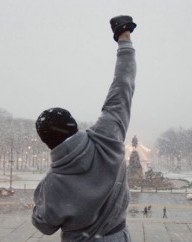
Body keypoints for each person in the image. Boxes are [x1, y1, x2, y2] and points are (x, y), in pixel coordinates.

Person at [32, 15, 137, 242]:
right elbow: (123, 85)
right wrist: (124, 38)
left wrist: (41, 194)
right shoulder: (107, 137)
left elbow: (44, 225)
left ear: (47, 142)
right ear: (73, 125)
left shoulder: (54, 183)